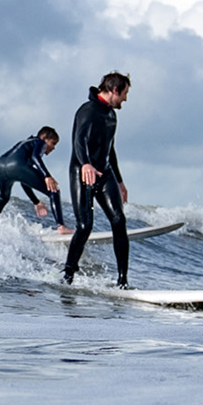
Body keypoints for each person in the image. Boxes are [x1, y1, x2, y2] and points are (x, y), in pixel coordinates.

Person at [62, 72, 132, 287]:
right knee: (85, 226)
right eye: (125, 94)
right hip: (82, 173)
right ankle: (68, 274)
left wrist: (119, 182)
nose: (126, 99)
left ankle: (122, 281)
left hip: (105, 173)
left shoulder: (111, 115)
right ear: (114, 90)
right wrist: (85, 164)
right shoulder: (87, 110)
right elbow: (79, 140)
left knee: (119, 220)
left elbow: (111, 150)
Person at [0, 127, 65, 231]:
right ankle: (61, 227)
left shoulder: (25, 144)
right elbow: (36, 157)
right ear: (45, 138)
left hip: (0, 166)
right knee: (54, 191)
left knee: (3, 198)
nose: (53, 148)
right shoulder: (40, 142)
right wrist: (47, 176)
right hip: (17, 166)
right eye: (53, 143)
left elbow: (24, 181)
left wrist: (36, 202)